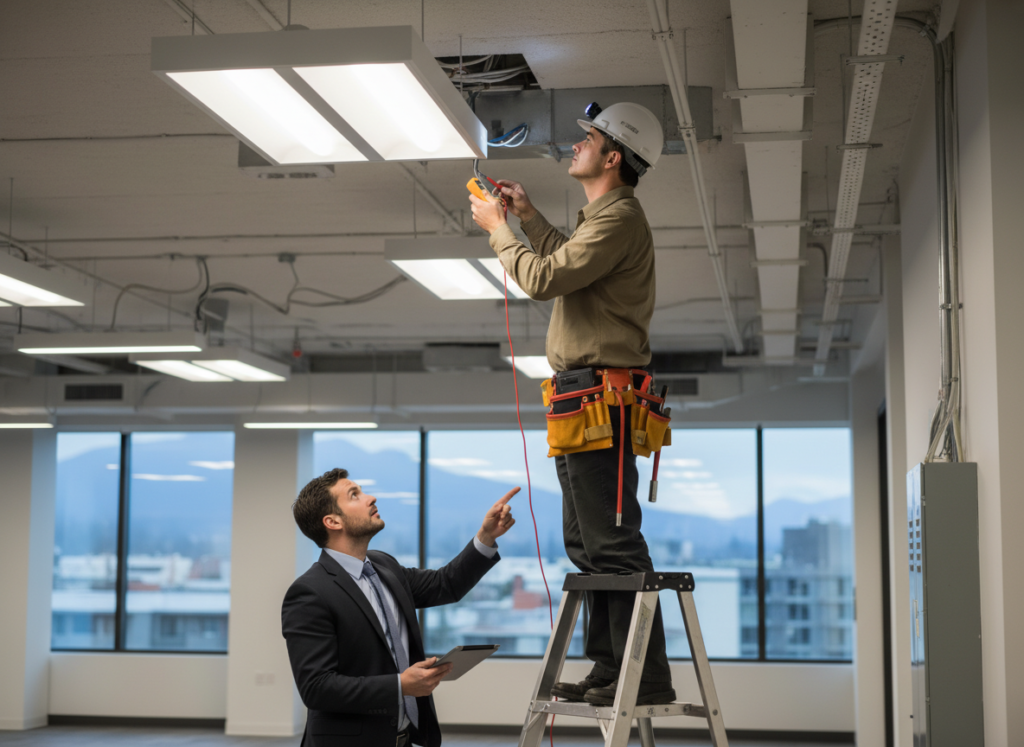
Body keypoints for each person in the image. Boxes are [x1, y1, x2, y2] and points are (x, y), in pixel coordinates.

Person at [468, 102, 675, 706]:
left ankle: (645, 674)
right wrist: (528, 217)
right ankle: (611, 669)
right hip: (582, 401)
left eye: (589, 138)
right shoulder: (603, 218)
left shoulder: (621, 219)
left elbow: (542, 279)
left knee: (612, 541)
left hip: (602, 401)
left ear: (613, 157)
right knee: (587, 546)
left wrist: (498, 229)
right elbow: (566, 261)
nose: (577, 144)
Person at [282, 467, 517, 747]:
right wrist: (400, 685)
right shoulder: (310, 592)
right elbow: (317, 688)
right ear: (332, 521)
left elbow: (446, 584)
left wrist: (486, 536)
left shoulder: (384, 565)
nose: (371, 498)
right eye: (354, 495)